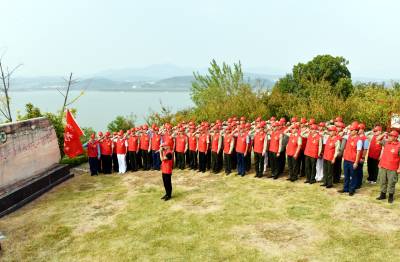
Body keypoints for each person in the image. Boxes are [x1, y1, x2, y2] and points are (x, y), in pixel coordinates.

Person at [338, 122, 362, 196]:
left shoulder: (359, 140)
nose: (350, 131)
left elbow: (358, 152)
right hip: (346, 159)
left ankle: (352, 189)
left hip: (353, 161)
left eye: (352, 130)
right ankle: (345, 188)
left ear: (356, 131)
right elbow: (340, 135)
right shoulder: (348, 137)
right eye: (350, 130)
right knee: (346, 175)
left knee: (353, 176)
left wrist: (356, 162)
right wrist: (346, 129)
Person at [376, 130, 400, 203]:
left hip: (393, 168)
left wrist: (399, 168)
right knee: (382, 181)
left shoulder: (399, 146)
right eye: (389, 135)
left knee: (391, 182)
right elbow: (377, 139)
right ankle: (383, 194)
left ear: (395, 137)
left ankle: (390, 196)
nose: (388, 137)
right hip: (383, 165)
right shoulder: (386, 142)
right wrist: (383, 134)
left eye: (390, 136)